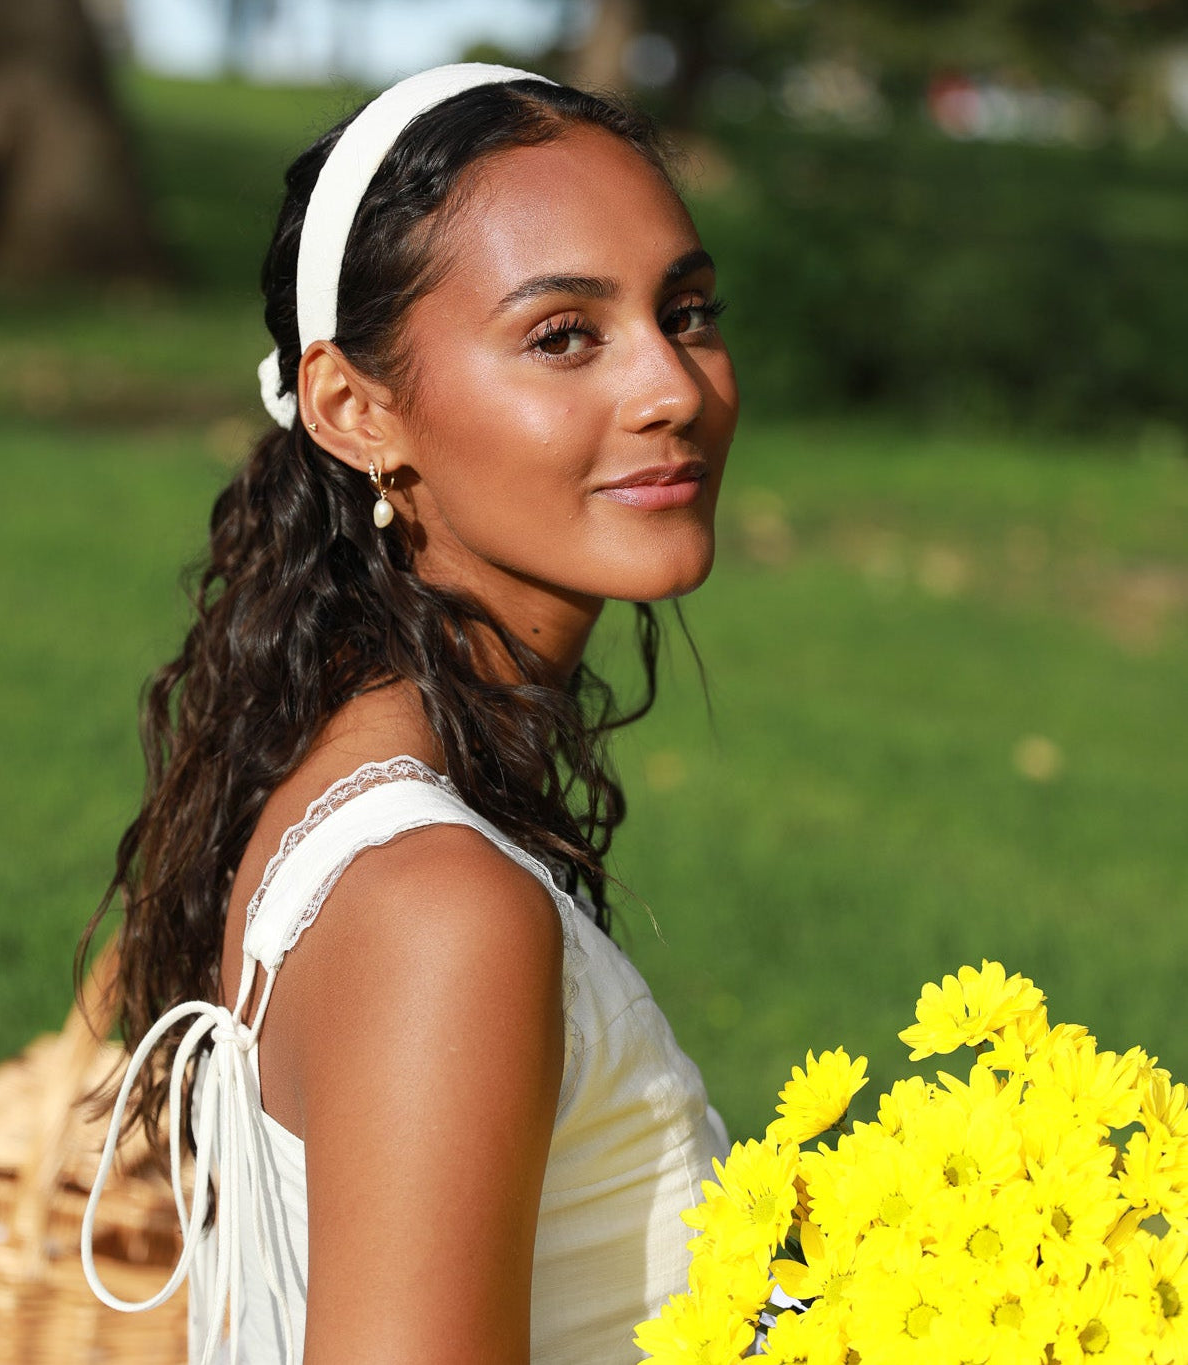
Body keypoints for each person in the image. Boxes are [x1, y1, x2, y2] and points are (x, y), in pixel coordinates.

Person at [80, 62, 740, 1365]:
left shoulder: (342, 781)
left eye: (690, 311)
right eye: (563, 335)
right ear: (355, 408)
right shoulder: (441, 909)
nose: (671, 386)